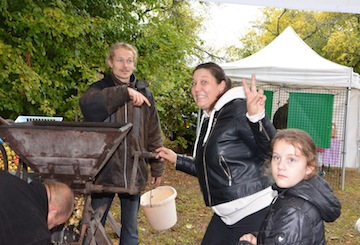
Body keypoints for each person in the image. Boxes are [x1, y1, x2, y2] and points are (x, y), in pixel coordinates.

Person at [156, 62, 277, 245]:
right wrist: (177, 159)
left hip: (253, 211)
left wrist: (257, 118)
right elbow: (210, 169)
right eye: (194, 83)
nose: (197, 88)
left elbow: (272, 151)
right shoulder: (210, 119)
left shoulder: (237, 110)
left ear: (221, 85)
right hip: (225, 217)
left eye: (204, 82)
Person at [79, 42, 163, 245]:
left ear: (134, 63)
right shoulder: (99, 89)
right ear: (110, 62)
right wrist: (124, 93)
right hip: (104, 171)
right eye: (120, 60)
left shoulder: (145, 93)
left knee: (131, 230)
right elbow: (87, 106)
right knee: (93, 226)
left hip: (134, 171)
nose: (125, 65)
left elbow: (153, 131)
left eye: (129, 60)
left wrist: (157, 167)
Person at [239, 129, 341, 245]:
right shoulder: (292, 196)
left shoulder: (294, 212)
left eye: (291, 160)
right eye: (277, 157)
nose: (281, 166)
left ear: (309, 168)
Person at [0, 170, 74, 245]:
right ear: (53, 211)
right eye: (55, 224)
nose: (49, 229)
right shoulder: (36, 234)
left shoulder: (7, 179)